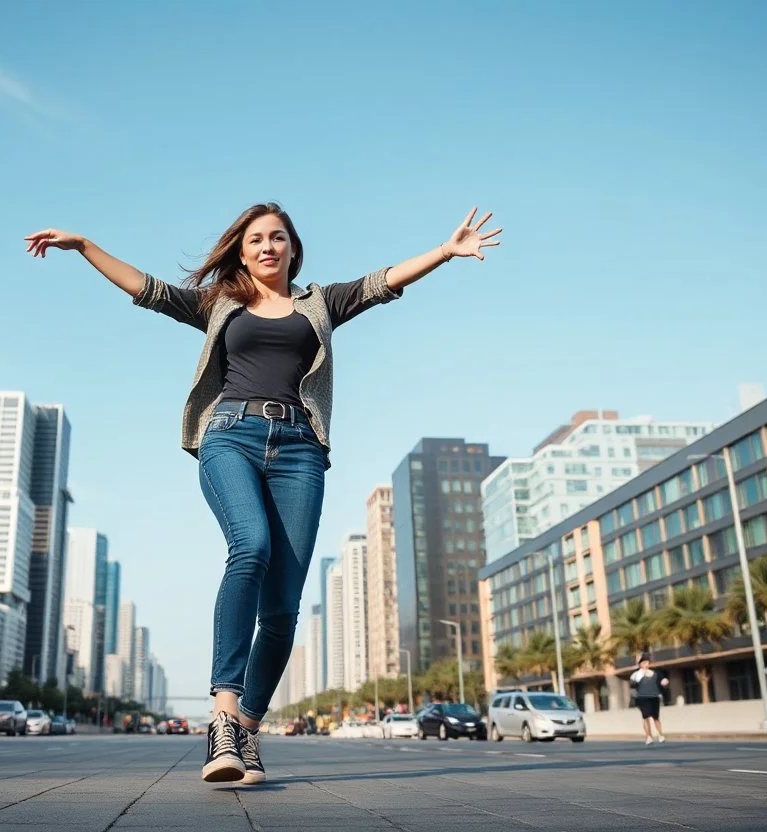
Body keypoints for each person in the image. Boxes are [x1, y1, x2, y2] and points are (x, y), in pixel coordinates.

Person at [25, 203, 500, 784]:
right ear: (241, 249)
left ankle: (248, 728)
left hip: (301, 449)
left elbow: (383, 282)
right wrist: (85, 245)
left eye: (278, 237)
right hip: (230, 436)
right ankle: (222, 719)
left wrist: (444, 252)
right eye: (256, 239)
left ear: (294, 249)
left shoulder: (319, 304)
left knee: (281, 611)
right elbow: (145, 288)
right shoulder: (220, 303)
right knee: (250, 546)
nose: (267, 246)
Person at [628, 654, 669, 745]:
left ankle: (660, 735)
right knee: (646, 717)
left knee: (656, 717)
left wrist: (664, 682)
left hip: (654, 697)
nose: (646, 664)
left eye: (647, 662)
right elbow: (632, 686)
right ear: (640, 664)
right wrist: (635, 697)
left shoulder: (654, 673)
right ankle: (648, 736)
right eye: (643, 663)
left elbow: (662, 682)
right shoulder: (636, 675)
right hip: (642, 698)